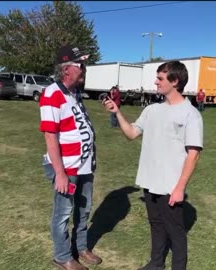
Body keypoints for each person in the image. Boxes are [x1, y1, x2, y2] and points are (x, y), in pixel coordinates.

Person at [103, 61, 203, 270]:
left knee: (176, 233)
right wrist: (117, 112)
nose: (155, 82)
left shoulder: (190, 114)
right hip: (150, 181)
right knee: (156, 225)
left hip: (170, 186)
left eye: (160, 78)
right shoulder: (152, 110)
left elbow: (193, 155)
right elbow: (132, 133)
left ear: (175, 81)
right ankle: (156, 264)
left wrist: (179, 188)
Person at [39, 45, 102, 270]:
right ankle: (63, 256)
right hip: (67, 167)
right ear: (66, 69)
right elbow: (50, 136)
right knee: (63, 213)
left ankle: (81, 247)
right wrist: (60, 173)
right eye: (80, 64)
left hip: (84, 165)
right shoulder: (51, 94)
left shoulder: (75, 92)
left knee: (84, 209)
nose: (84, 68)